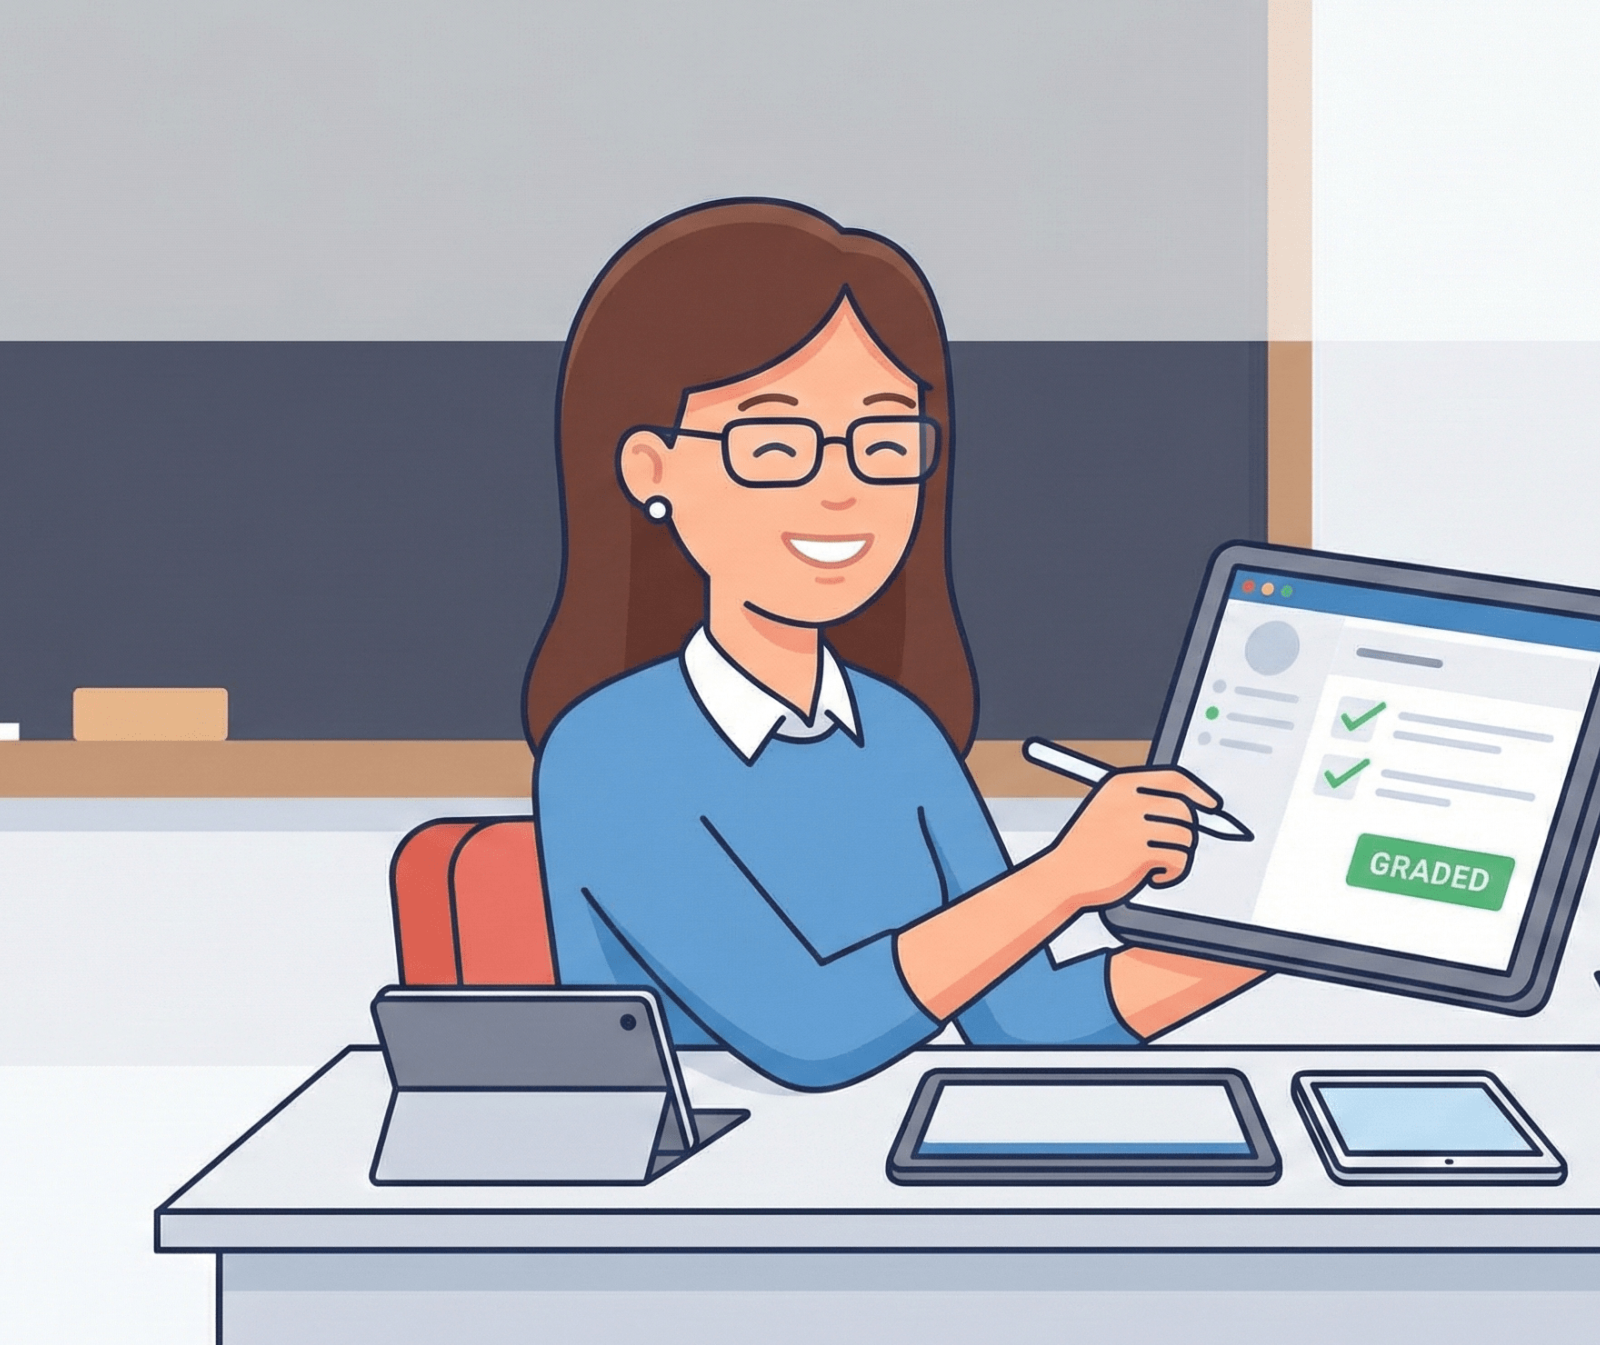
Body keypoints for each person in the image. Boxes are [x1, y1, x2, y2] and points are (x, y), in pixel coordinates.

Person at [527, 199, 1262, 1090]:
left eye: (882, 443)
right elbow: (807, 1033)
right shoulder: (607, 754)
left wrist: (1286, 932)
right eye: (775, 446)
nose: (844, 491)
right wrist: (1066, 877)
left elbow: (1026, 1023)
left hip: (877, 1157)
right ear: (653, 471)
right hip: (714, 1169)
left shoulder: (898, 733)